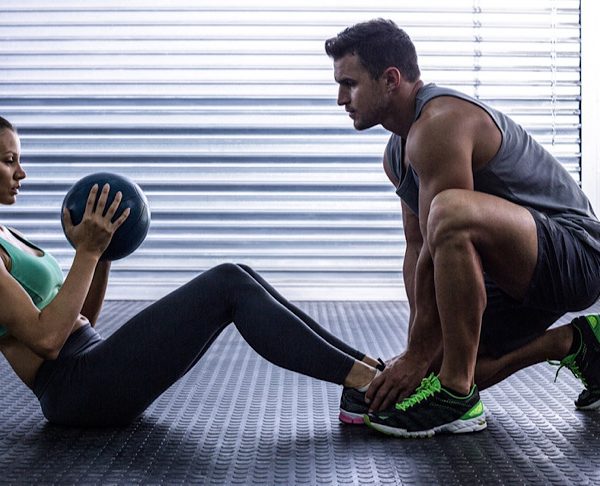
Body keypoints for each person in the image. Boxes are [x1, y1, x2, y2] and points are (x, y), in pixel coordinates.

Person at [0, 115, 383, 427]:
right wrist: (87, 250)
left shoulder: (7, 234)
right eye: (9, 160)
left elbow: (79, 319)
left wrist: (102, 256)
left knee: (240, 274)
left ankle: (370, 370)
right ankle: (365, 385)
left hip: (91, 364)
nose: (22, 173)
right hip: (75, 389)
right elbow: (47, 340)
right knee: (228, 283)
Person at [324, 19, 600, 438]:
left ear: (391, 79)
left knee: (449, 210)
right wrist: (417, 354)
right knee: (434, 369)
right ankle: (574, 343)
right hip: (515, 275)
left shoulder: (439, 121)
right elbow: (417, 249)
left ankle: (457, 395)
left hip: (577, 256)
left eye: (350, 84)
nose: (341, 98)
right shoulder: (396, 153)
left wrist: (417, 352)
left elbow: (445, 228)